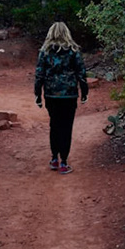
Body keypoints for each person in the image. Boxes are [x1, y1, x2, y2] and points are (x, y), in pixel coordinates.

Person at [33, 21, 89, 172]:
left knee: (54, 125)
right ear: (67, 33)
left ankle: (54, 158)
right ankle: (63, 161)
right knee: (66, 127)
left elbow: (39, 74)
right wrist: (84, 92)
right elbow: (81, 74)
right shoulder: (73, 51)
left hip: (51, 94)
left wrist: (37, 94)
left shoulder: (45, 51)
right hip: (69, 95)